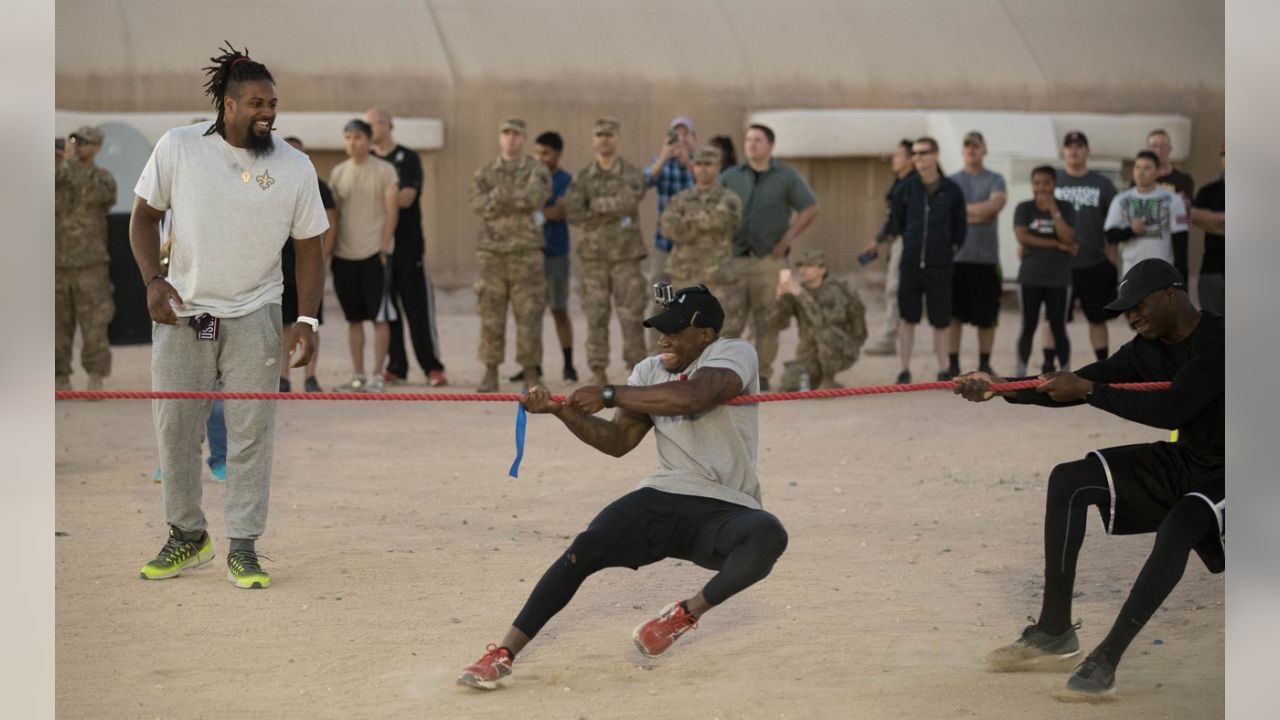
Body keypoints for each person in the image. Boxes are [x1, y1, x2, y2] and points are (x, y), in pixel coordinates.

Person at [457, 285, 788, 691]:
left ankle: (685, 614)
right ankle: (503, 653)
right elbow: (618, 443)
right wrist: (561, 412)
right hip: (663, 494)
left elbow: (696, 395)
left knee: (769, 536)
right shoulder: (649, 371)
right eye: (660, 330)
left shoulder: (733, 353)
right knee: (584, 548)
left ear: (705, 334)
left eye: (675, 331)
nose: (662, 339)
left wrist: (611, 393)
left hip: (726, 507)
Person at [954, 258, 1223, 702]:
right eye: (1126, 312)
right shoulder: (1145, 349)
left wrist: (1090, 392)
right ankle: (1054, 631)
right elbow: (1077, 384)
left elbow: (1174, 408)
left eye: (1138, 306)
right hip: (1190, 459)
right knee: (1069, 481)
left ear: (1173, 295)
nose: (1132, 318)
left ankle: (1107, 659)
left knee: (1181, 525)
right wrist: (999, 388)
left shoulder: (1221, 339)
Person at [129, 43, 329, 589]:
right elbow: (143, 218)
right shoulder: (179, 147)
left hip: (255, 314)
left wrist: (308, 321)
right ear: (228, 104)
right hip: (183, 313)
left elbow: (311, 247)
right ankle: (188, 537)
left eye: (273, 103)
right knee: (175, 429)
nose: (268, 112)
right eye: (257, 103)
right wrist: (153, 279)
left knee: (250, 433)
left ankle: (243, 546)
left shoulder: (293, 166)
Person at [720, 123, 819, 391]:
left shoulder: (786, 177)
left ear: (770, 146)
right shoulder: (730, 177)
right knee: (729, 321)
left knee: (768, 320)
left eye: (758, 140)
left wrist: (788, 238)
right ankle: (730, 373)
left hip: (768, 261)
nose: (751, 144)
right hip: (734, 260)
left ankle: (762, 374)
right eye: (748, 139)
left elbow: (809, 208)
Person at [364, 107, 448, 387]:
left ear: (387, 125)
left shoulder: (408, 159)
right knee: (388, 311)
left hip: (409, 248)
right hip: (379, 247)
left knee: (418, 308)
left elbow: (406, 198)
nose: (368, 131)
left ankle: (432, 366)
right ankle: (396, 366)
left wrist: (380, 194)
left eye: (372, 125)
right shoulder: (368, 160)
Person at [564, 117, 649, 387]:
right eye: (599, 134)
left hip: (626, 258)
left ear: (618, 139)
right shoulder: (583, 177)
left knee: (631, 316)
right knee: (595, 316)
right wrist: (609, 210)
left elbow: (629, 200)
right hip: (594, 260)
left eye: (610, 135)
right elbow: (573, 211)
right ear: (593, 140)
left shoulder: (632, 174)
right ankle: (598, 369)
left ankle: (636, 370)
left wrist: (595, 208)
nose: (605, 139)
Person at [468, 117, 551, 391]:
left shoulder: (536, 169)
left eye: (516, 134)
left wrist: (498, 198)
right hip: (491, 254)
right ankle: (490, 371)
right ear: (500, 137)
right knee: (491, 314)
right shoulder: (485, 171)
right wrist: (514, 199)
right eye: (506, 133)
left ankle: (530, 372)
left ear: (524, 138)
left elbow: (535, 198)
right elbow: (477, 203)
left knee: (529, 315)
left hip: (526, 254)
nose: (511, 138)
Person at [889, 136, 967, 384]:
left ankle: (944, 369)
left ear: (935, 155)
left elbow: (960, 229)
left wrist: (944, 249)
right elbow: (898, 223)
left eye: (924, 153)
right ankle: (904, 369)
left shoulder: (952, 190)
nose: (918, 158)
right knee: (907, 318)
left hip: (939, 265)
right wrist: (912, 241)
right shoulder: (905, 188)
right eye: (915, 154)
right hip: (911, 263)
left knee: (941, 319)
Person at [329, 119, 400, 393]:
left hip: (374, 254)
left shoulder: (385, 170)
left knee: (379, 318)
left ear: (369, 140)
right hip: (345, 256)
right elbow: (333, 215)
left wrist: (384, 247)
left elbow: (392, 211)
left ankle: (377, 376)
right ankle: (358, 375)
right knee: (353, 318)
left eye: (357, 137)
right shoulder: (339, 172)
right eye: (347, 137)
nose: (352, 142)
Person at [1041, 130, 1120, 372]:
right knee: (1052, 318)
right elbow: (1040, 220)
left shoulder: (1102, 184)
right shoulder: (1052, 182)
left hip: (1093, 263)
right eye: (1069, 146)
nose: (1074, 151)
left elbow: (1114, 226)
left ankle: (1103, 364)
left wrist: (1111, 258)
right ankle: (1047, 364)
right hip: (1059, 264)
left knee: (1097, 318)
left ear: (1087, 151)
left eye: (1079, 146)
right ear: (1063, 151)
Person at [511, 130, 579, 383]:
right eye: (537, 152)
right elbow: (522, 208)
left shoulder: (565, 180)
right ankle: (531, 364)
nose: (540, 158)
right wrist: (541, 210)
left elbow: (558, 212)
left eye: (546, 153)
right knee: (529, 312)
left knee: (559, 308)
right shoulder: (527, 177)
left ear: (558, 155)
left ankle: (569, 364)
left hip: (555, 253)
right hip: (528, 253)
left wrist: (536, 210)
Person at [55, 125, 118, 392]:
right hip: (56, 265)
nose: (77, 146)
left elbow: (99, 196)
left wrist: (73, 164)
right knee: (56, 326)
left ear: (96, 147)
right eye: (74, 141)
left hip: (91, 265)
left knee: (95, 324)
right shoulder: (59, 175)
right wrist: (61, 166)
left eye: (83, 142)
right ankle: (59, 376)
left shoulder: (102, 178)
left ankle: (95, 374)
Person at [658, 145, 743, 331]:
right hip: (684, 276)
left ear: (718, 166)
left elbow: (720, 221)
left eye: (708, 164)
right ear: (692, 167)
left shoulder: (729, 198)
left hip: (718, 277)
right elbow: (667, 228)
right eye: (698, 164)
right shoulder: (680, 198)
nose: (703, 168)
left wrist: (686, 223)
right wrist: (702, 222)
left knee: (723, 332)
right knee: (683, 331)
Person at [946, 131, 1007, 378]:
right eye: (967, 146)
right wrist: (975, 214)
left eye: (976, 146)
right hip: (956, 259)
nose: (971, 150)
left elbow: (994, 207)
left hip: (986, 259)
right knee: (953, 316)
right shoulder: (951, 182)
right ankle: (952, 364)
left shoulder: (995, 179)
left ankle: (985, 363)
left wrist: (963, 214)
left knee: (987, 316)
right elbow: (949, 214)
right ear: (962, 151)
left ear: (984, 150)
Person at [279, 136, 337, 392]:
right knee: (283, 325)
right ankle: (284, 377)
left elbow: (331, 222)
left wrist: (322, 257)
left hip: (309, 263)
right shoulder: (273, 184)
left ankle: (311, 377)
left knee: (309, 320)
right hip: (280, 265)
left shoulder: (318, 185)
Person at [770, 248, 867, 390]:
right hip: (810, 353)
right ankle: (818, 379)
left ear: (822, 270)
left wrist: (800, 294)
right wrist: (780, 299)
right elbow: (778, 324)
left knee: (825, 331)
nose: (803, 270)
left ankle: (829, 379)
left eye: (809, 266)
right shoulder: (799, 291)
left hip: (841, 349)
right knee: (789, 383)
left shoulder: (835, 290)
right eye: (801, 266)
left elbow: (822, 321)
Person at [1012, 166, 1077, 376]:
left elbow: (1068, 237)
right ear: (1032, 185)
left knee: (1058, 327)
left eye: (1046, 183)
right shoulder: (1024, 208)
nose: (1041, 187)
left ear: (1054, 184)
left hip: (1059, 278)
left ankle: (1065, 373)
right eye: (1037, 183)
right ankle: (1020, 375)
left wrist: (1053, 210)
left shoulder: (1065, 207)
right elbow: (1023, 237)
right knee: (1028, 326)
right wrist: (1056, 245)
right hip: (1030, 277)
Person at [861, 139, 917, 356]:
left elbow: (904, 220)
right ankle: (894, 333)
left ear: (910, 159)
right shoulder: (900, 181)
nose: (894, 159)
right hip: (896, 240)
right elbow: (892, 217)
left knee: (895, 289)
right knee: (894, 288)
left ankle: (889, 337)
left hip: (906, 241)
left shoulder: (912, 184)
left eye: (899, 155)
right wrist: (879, 239)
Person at [1104, 151, 1188, 277]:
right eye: (1137, 167)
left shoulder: (1173, 199)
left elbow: (1180, 239)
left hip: (1162, 271)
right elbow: (1110, 235)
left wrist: (1180, 275)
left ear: (1158, 171)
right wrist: (1131, 230)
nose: (1141, 172)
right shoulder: (1121, 199)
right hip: (1131, 271)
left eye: (1147, 168)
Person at [643, 116, 697, 276]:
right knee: (661, 296)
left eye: (685, 135)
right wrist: (664, 156)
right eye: (676, 135)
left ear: (694, 138)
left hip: (693, 247)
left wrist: (687, 162)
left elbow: (712, 185)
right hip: (664, 244)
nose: (680, 139)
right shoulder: (660, 163)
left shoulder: (701, 163)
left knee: (689, 298)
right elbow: (643, 182)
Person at [1189, 143, 1224, 314]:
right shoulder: (1209, 191)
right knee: (1212, 324)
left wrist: (1213, 223)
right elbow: (1195, 216)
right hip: (1212, 270)